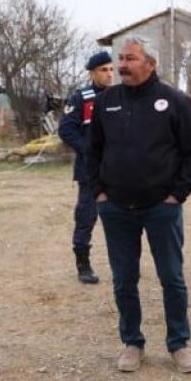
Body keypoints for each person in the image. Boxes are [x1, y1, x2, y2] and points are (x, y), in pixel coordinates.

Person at [86, 35, 191, 374]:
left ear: (150, 64)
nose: (122, 65)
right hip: (116, 209)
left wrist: (175, 196)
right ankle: (132, 342)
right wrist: (99, 192)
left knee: (172, 278)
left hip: (161, 208)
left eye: (130, 59)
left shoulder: (174, 101)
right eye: (120, 58)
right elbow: (92, 150)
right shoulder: (107, 101)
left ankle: (179, 344)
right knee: (124, 279)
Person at [59, 50, 117, 285]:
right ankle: (83, 265)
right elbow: (66, 130)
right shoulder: (81, 98)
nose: (109, 74)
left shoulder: (120, 96)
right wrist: (89, 150)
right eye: (104, 70)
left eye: (112, 69)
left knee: (121, 218)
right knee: (86, 217)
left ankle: (124, 263)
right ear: (93, 73)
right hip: (90, 171)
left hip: (118, 170)